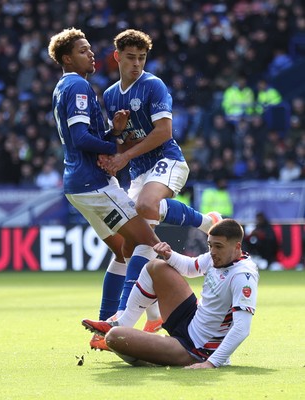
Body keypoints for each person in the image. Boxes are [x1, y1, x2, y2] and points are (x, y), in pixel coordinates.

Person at [48, 27, 163, 349]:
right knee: (150, 245)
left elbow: (78, 136)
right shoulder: (78, 85)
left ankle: (109, 329)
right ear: (67, 58)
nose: (91, 54)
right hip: (94, 183)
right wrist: (118, 148)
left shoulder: (63, 86)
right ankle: (124, 323)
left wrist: (113, 132)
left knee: (123, 251)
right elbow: (81, 138)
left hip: (78, 185)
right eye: (83, 50)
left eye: (90, 49)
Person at [98, 28, 222, 323]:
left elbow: (164, 131)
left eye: (141, 58)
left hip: (168, 160)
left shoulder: (153, 86)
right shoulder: (111, 95)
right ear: (117, 57)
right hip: (140, 173)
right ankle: (146, 315)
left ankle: (207, 222)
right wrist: (115, 139)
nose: (136, 64)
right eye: (130, 58)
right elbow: (123, 139)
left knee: (144, 207)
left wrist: (123, 157)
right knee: (124, 245)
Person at [82, 219, 259, 368]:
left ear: (237, 247)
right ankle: (123, 321)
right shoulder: (217, 256)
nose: (212, 252)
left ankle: (152, 355)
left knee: (114, 338)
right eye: (210, 245)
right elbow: (190, 268)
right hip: (191, 318)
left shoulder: (243, 276)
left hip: (195, 348)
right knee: (155, 266)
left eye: (218, 246)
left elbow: (242, 328)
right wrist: (168, 254)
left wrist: (211, 363)